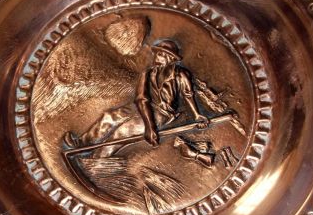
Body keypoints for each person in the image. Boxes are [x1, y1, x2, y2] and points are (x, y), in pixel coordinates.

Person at [64, 39, 210, 157]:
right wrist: (149, 126)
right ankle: (82, 144)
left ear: (169, 58)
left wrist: (197, 115)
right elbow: (142, 99)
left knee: (122, 133)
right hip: (143, 107)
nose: (156, 57)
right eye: (156, 54)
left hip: (163, 113)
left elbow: (188, 95)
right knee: (109, 116)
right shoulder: (148, 73)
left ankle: (96, 159)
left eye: (160, 54)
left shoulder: (181, 74)